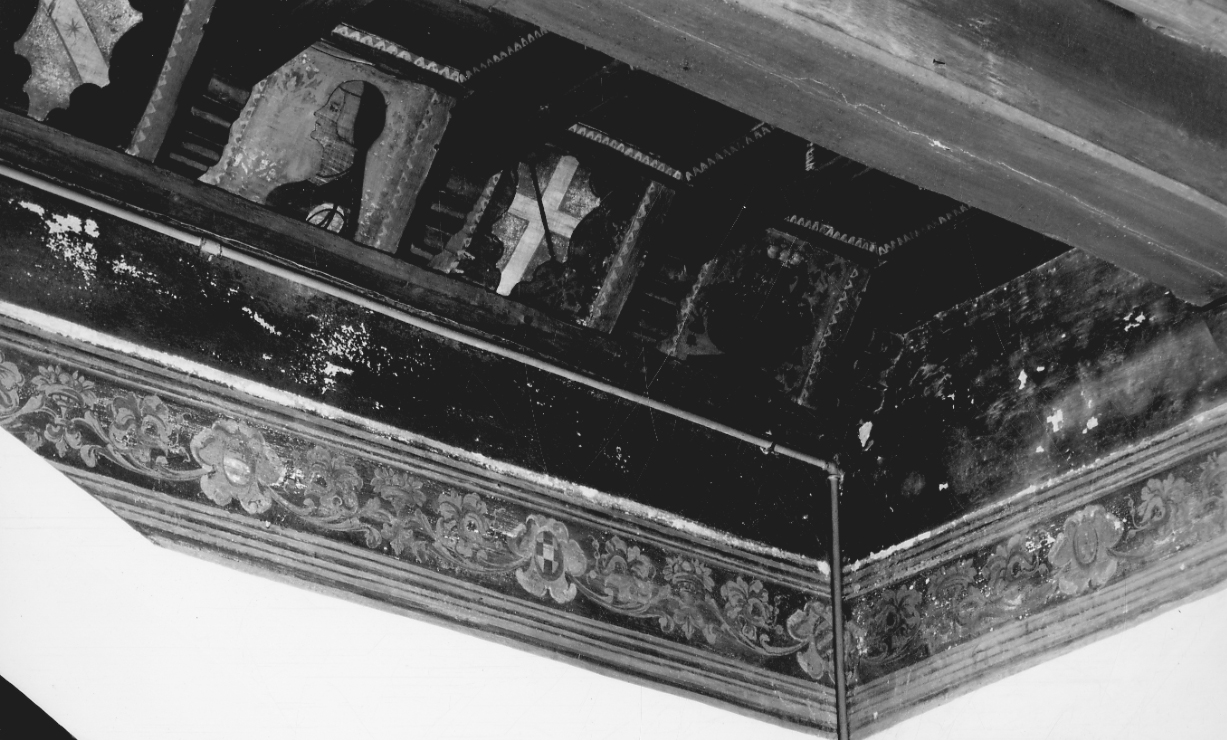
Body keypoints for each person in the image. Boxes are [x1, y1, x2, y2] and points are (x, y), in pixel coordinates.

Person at [266, 80, 387, 239]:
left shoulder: (333, 209)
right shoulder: (298, 192)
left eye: (333, 108)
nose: (319, 112)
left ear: (353, 124)